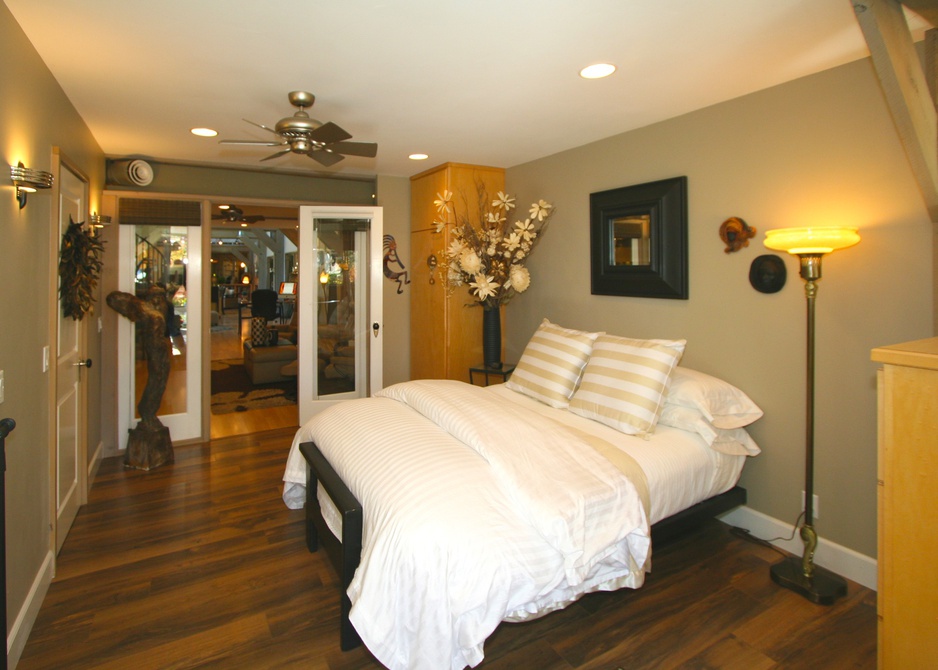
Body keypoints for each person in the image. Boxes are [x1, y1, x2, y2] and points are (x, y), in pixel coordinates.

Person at [106, 286, 171, 431]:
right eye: (156, 298)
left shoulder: (155, 313)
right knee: (157, 379)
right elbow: (113, 298)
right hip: (155, 351)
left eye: (161, 298)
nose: (159, 302)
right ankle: (147, 413)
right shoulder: (149, 313)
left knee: (160, 380)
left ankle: (149, 413)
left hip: (160, 351)